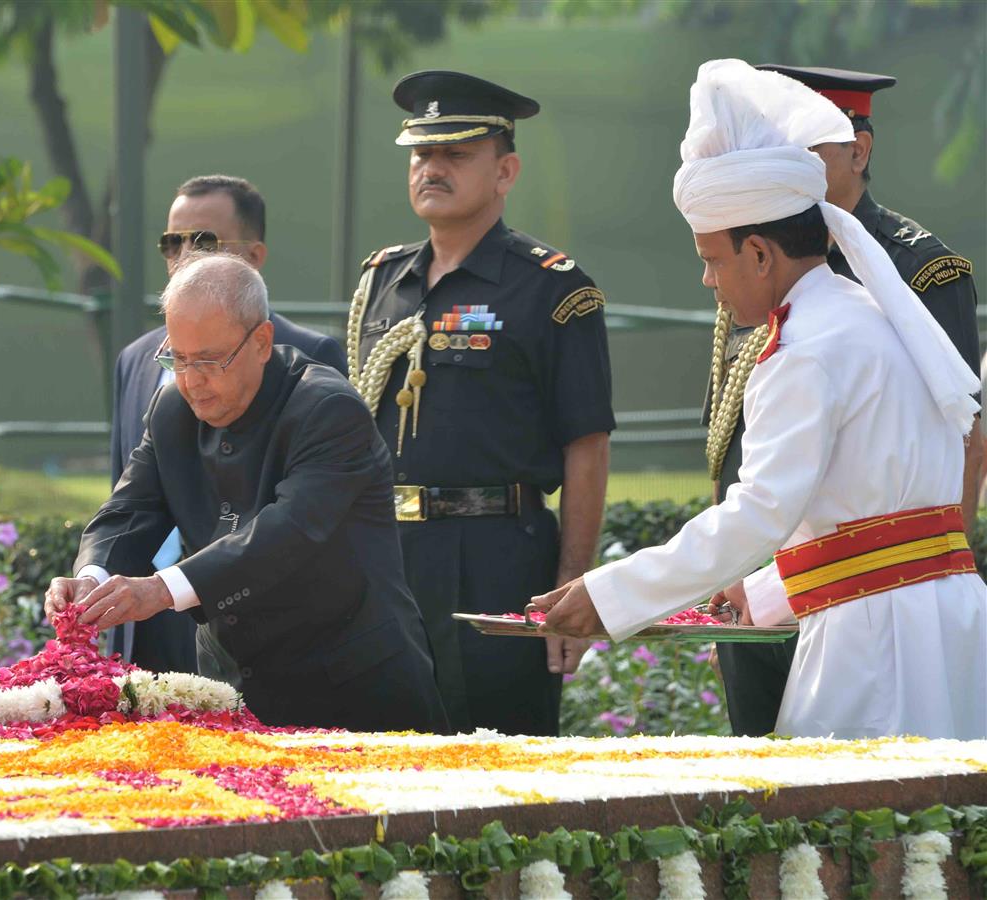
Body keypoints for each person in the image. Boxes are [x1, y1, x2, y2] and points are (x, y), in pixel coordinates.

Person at [534, 59, 986, 740]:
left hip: (876, 639)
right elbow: (886, 521)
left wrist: (611, 593)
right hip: (939, 622)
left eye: (712, 259)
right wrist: (768, 588)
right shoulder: (868, 313)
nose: (708, 280)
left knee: (863, 834)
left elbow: (758, 512)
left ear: (760, 254)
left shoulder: (803, 347)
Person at [47, 253, 449, 733]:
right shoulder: (172, 407)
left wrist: (160, 589)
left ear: (261, 341)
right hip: (233, 692)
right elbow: (131, 510)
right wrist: (92, 577)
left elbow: (286, 533)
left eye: (211, 360)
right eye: (177, 358)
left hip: (354, 692)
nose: (192, 380)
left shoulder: (328, 409)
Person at [703, 64, 982, 737]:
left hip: (874, 586)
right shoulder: (756, 250)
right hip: (758, 581)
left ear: (858, 150)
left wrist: (929, 579)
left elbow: (958, 438)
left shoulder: (917, 269)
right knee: (764, 799)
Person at [345, 70, 614, 735]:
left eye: (455, 154)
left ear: (505, 171)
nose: (432, 168)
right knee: (382, 752)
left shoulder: (552, 289)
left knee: (497, 758)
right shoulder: (383, 282)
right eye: (421, 154)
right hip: (389, 556)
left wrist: (572, 587)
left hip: (498, 558)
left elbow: (587, 445)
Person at [109, 175, 348, 675]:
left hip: (260, 614)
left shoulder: (316, 371)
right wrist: (98, 574)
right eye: (172, 242)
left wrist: (171, 587)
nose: (184, 257)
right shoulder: (136, 360)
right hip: (150, 611)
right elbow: (131, 497)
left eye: (203, 242)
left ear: (255, 257)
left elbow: (297, 522)